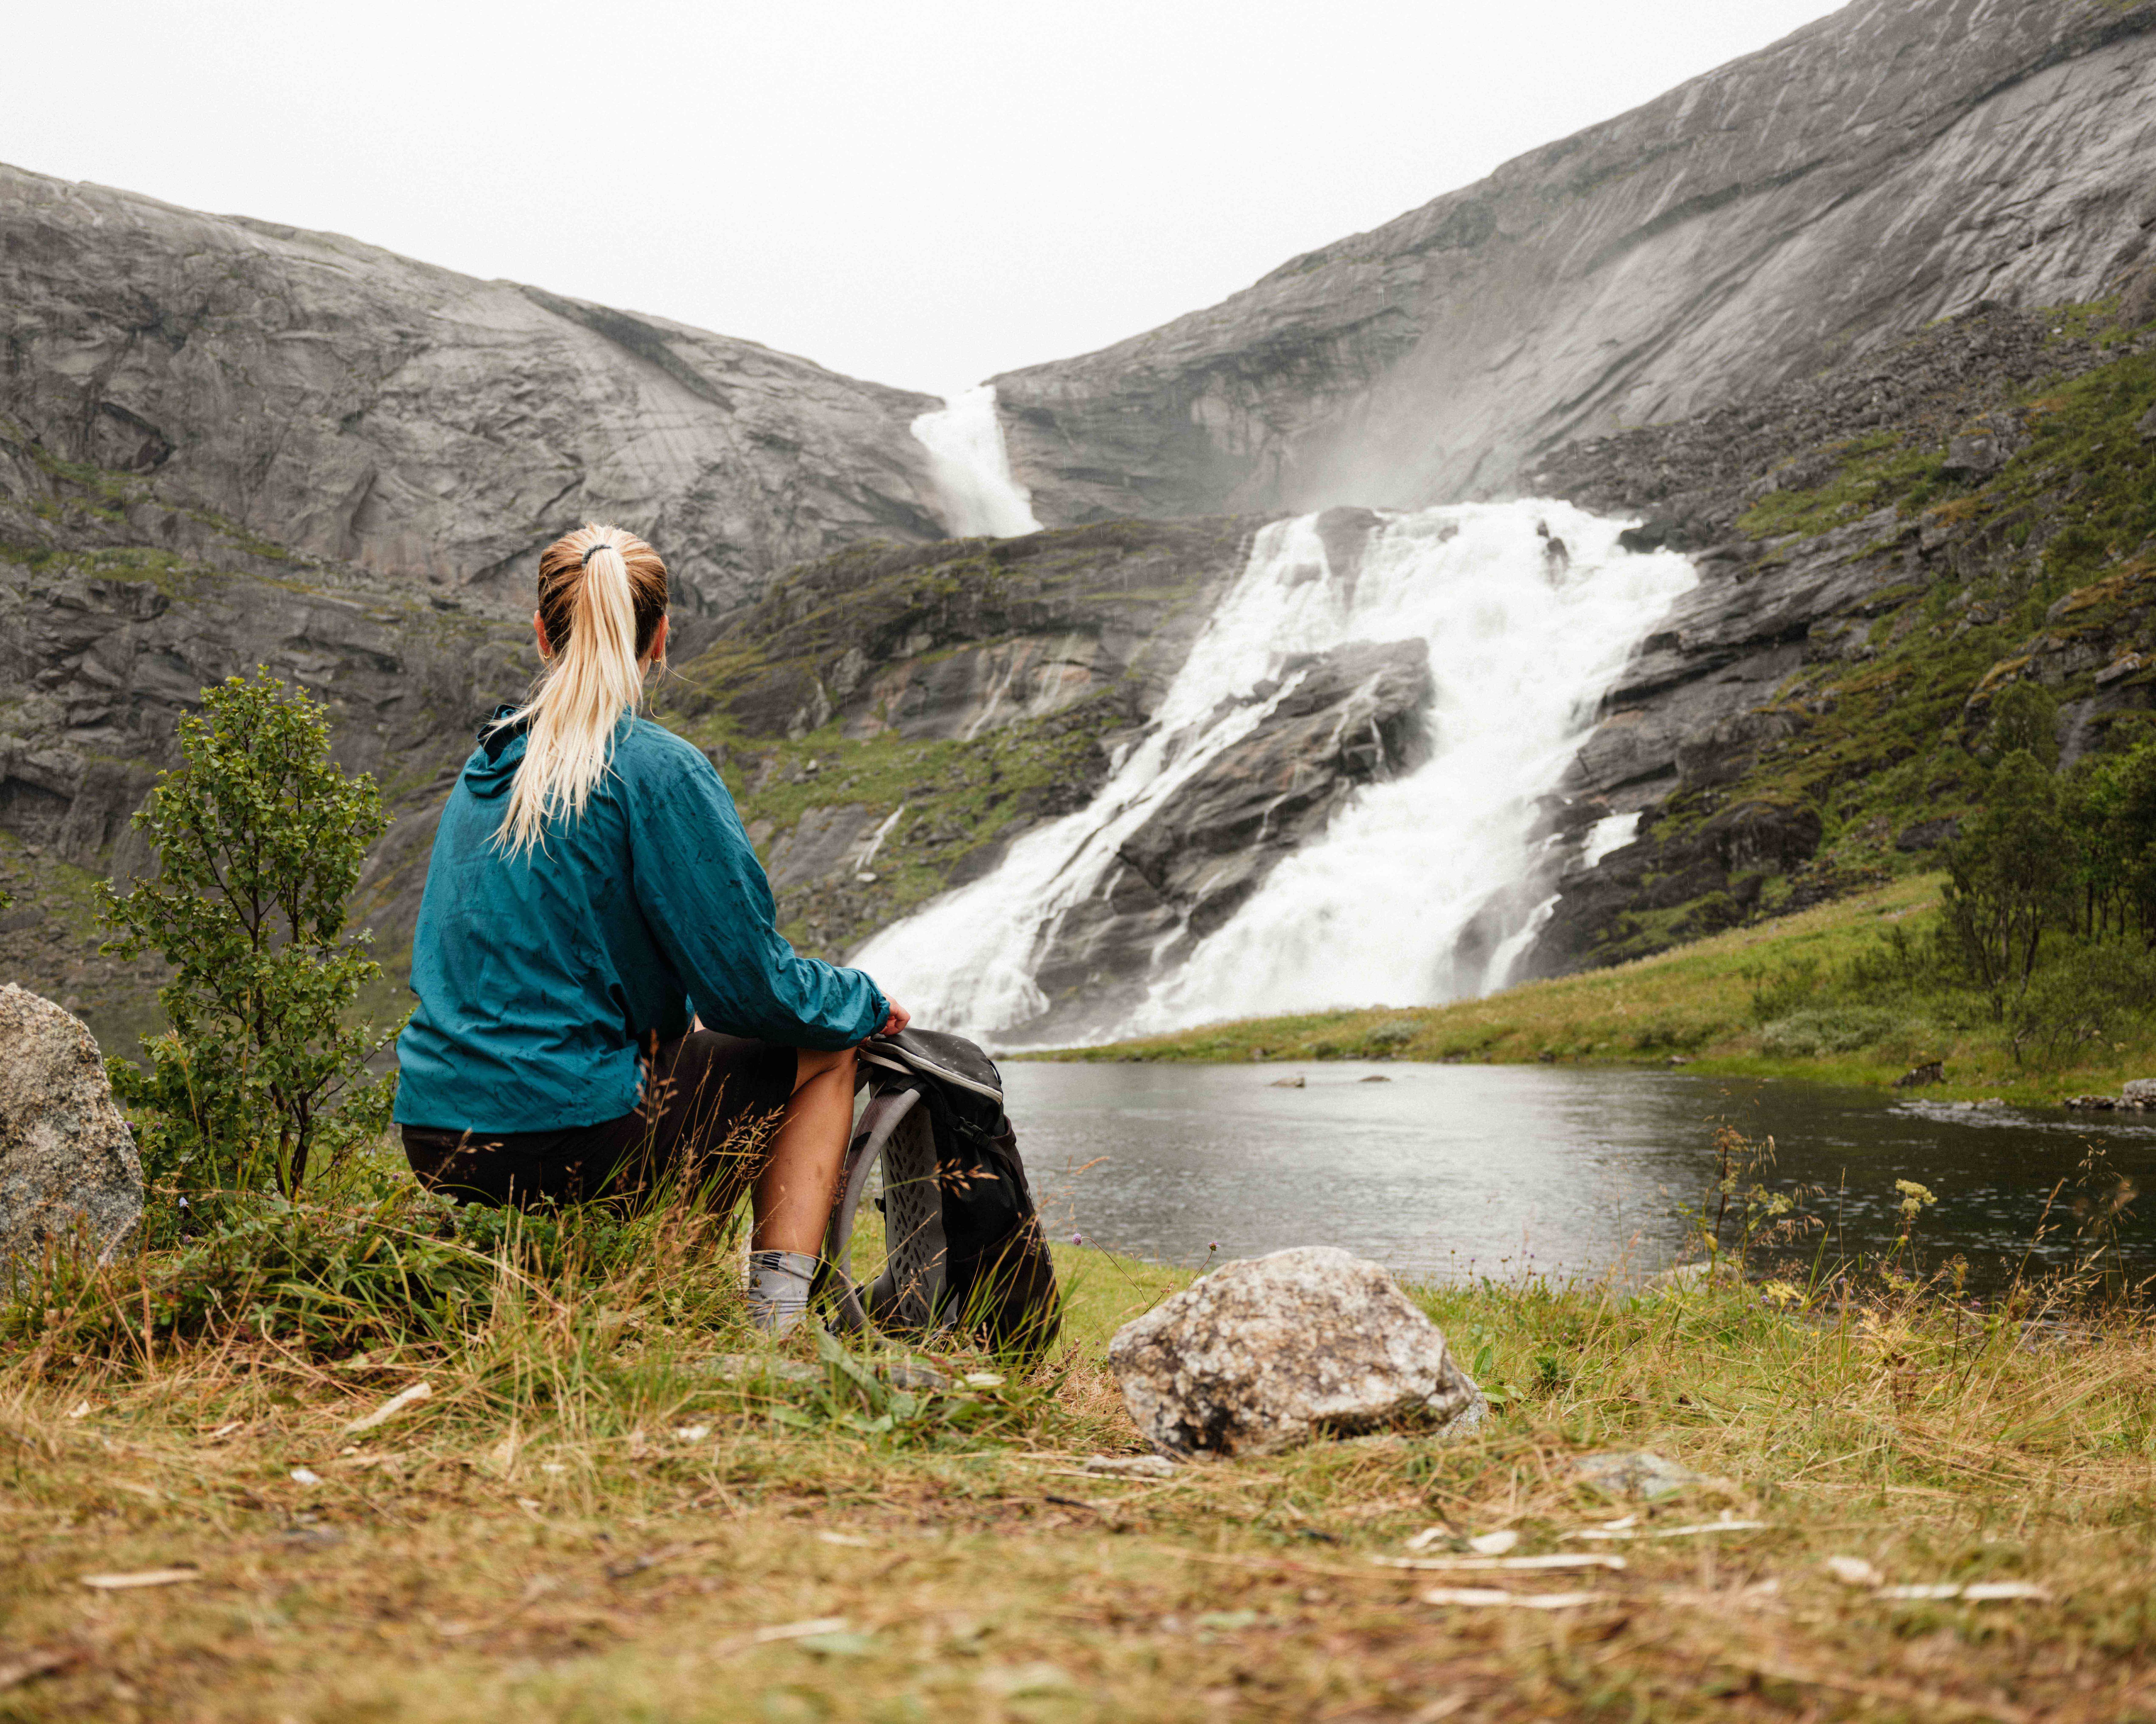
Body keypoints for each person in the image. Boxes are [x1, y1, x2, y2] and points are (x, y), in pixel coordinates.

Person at [392, 523, 907, 1333]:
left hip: (433, 1132)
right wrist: (861, 998)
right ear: (662, 637)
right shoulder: (654, 766)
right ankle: (774, 1328)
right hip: (564, 1136)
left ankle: (633, 1291)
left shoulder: (489, 763)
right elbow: (751, 992)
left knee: (678, 1062)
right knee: (828, 1046)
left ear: (540, 633)